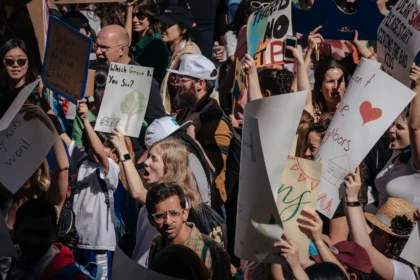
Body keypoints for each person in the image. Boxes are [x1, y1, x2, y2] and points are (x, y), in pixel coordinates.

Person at [110, 132, 202, 265]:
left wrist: (123, 150)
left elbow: (137, 191)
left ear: (170, 167)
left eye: (154, 159)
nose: (146, 163)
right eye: (148, 156)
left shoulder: (177, 199)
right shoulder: (158, 193)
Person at [59, 100, 119, 280]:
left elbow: (100, 152)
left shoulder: (111, 168)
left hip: (98, 246)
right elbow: (60, 132)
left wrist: (85, 120)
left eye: (103, 144)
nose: (96, 147)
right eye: (92, 142)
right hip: (76, 243)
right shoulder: (80, 159)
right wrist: (42, 102)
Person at [92, 24, 166, 161]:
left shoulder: (143, 81)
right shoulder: (98, 72)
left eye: (104, 47)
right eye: (96, 46)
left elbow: (160, 126)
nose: (98, 52)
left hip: (130, 160)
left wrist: (142, 160)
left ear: (122, 49)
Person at [172, 53, 232, 209]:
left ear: (200, 83)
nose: (177, 84)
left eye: (183, 80)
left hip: (206, 206)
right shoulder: (186, 110)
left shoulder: (217, 122)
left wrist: (193, 141)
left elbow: (213, 169)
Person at [146, 183, 232, 280]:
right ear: (151, 220)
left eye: (174, 213)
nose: (168, 222)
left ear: (185, 214)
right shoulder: (157, 243)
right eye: (160, 216)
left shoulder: (212, 250)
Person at [344, 168, 417, 280]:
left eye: (378, 232)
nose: (371, 235)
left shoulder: (406, 273)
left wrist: (352, 197)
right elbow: (358, 228)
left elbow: (364, 245)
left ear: (393, 241)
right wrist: (348, 191)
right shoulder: (381, 245)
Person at [374, 63, 420, 208]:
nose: (391, 130)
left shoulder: (416, 161)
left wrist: (417, 87)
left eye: (399, 127)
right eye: (392, 124)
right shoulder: (395, 154)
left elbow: (415, 127)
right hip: (380, 227)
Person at [7, 200, 88, 280]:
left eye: (42, 234)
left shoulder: (69, 276)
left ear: (54, 234)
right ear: (15, 230)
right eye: (28, 233)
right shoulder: (10, 262)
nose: (34, 240)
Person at [0, 39, 67, 131]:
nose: (15, 65)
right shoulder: (3, 96)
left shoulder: (36, 94)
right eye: (9, 61)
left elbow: (55, 129)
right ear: (2, 63)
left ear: (28, 63)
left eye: (21, 61)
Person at [157, 6, 201, 114]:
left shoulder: (188, 55)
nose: (162, 29)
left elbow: (190, 96)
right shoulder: (177, 50)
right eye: (161, 24)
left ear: (183, 29)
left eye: (168, 25)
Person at [125, 0, 170, 85]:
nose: (134, 20)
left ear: (151, 16)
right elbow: (125, 43)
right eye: (133, 15)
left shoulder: (156, 42)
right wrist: (129, 8)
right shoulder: (134, 39)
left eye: (140, 16)